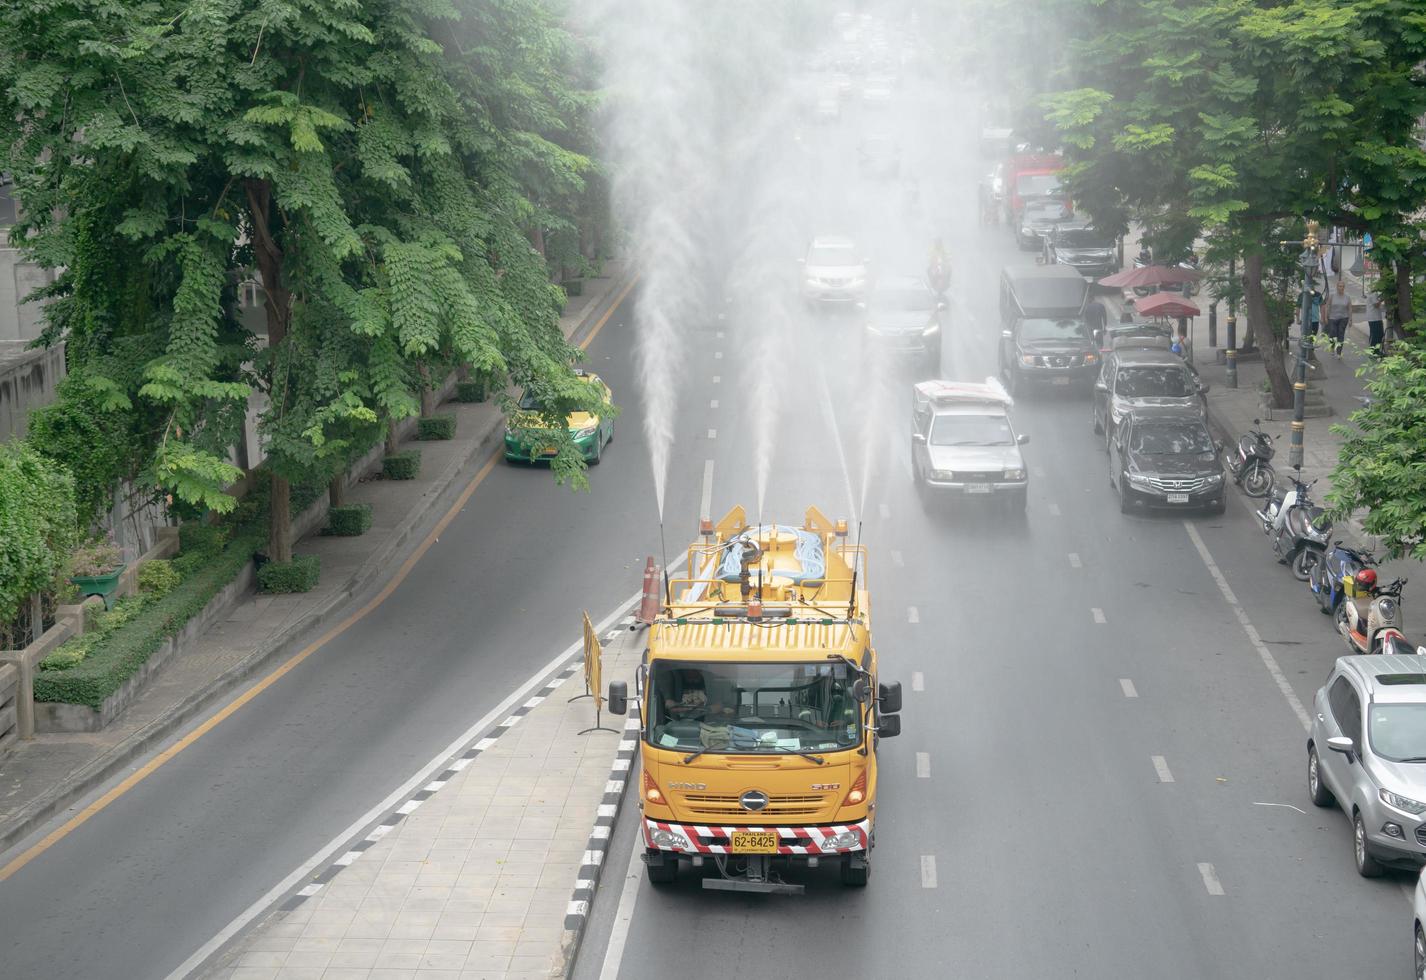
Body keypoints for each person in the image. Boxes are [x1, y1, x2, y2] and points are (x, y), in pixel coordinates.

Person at [1324, 279, 1352, 356]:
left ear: (1344, 287)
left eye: (1342, 286)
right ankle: (1332, 347)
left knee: (1341, 334)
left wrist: (1350, 319)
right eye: (1340, 286)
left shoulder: (1347, 297)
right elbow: (1327, 306)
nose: (1341, 288)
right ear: (1337, 287)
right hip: (1332, 318)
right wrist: (1326, 317)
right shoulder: (1332, 296)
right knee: (1333, 333)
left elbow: (1349, 308)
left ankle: (1339, 352)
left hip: (1343, 318)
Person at [1364, 290, 1385, 356]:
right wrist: (1382, 299)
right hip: (1374, 318)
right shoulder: (1373, 294)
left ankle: (1376, 351)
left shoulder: (1372, 293)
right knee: (1376, 335)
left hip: (1376, 317)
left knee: (1379, 334)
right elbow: (1376, 305)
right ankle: (1373, 352)